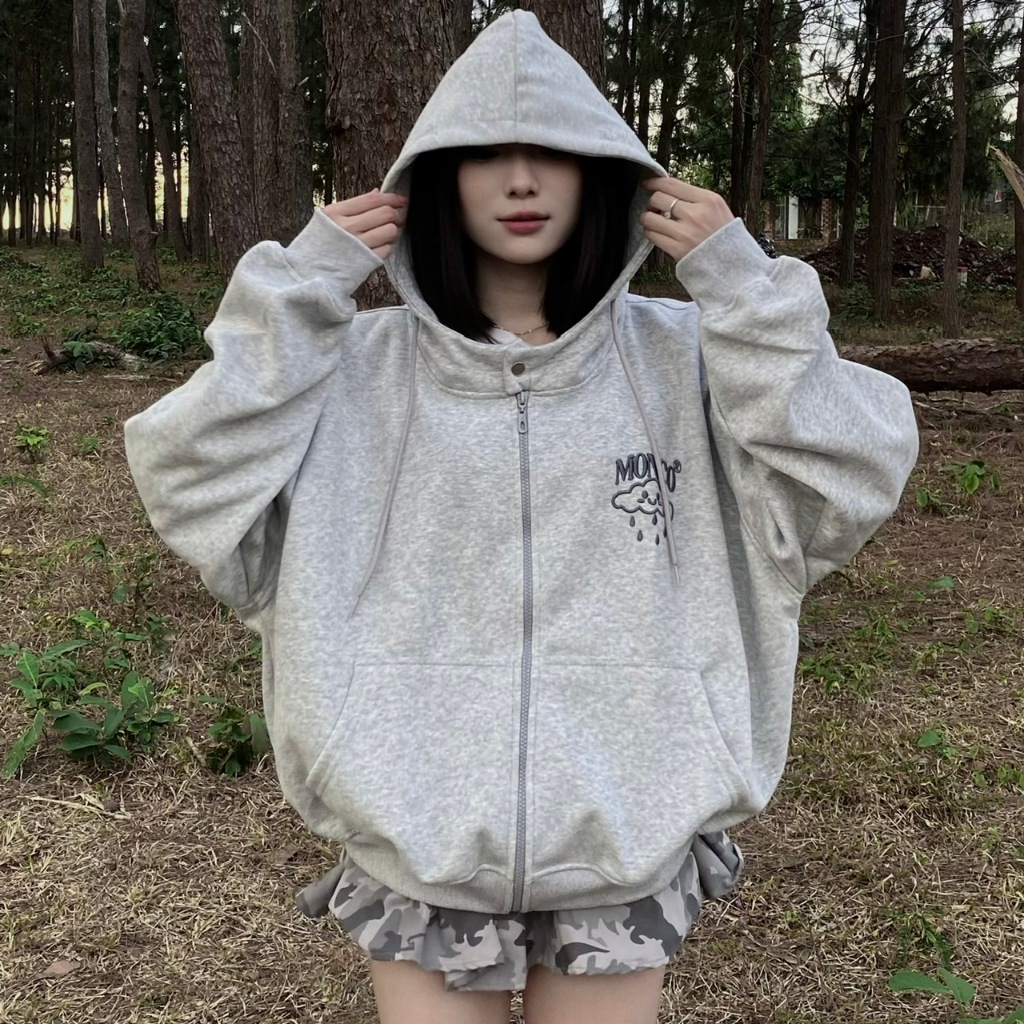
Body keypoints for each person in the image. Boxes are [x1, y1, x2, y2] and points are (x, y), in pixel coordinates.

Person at [124, 11, 919, 1024]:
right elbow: (188, 476)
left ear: (602, 174)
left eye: (552, 151)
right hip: (416, 829)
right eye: (484, 154)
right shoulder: (353, 369)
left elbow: (851, 473)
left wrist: (745, 291)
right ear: (436, 180)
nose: (520, 181)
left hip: (623, 831)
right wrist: (296, 295)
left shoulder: (690, 357)